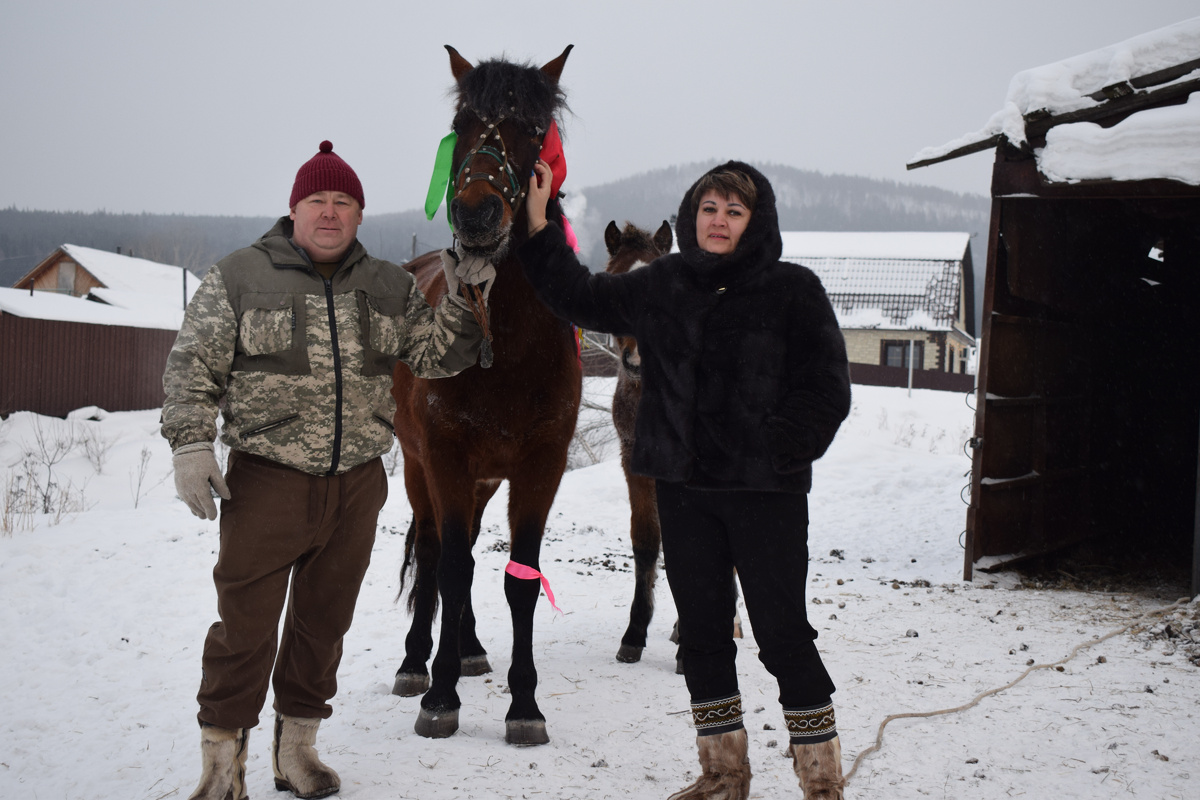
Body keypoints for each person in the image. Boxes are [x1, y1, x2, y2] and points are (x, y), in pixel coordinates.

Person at [162, 141, 489, 800]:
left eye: (344, 202)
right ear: (295, 207)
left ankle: (297, 751)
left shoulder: (388, 285)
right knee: (245, 628)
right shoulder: (240, 276)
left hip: (357, 485)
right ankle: (222, 765)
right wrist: (190, 444)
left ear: (360, 215)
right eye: (319, 200)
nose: (331, 213)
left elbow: (434, 357)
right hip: (266, 482)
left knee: (323, 624)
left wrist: (463, 295)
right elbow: (193, 365)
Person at [519, 160, 851, 800]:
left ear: (756, 222)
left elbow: (826, 387)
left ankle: (822, 783)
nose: (719, 221)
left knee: (783, 638)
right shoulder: (662, 284)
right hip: (684, 494)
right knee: (701, 638)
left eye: (734, 210)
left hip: (766, 497)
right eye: (709, 208)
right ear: (692, 216)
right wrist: (538, 226)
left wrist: (782, 446)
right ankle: (723, 775)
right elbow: (578, 295)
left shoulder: (793, 290)